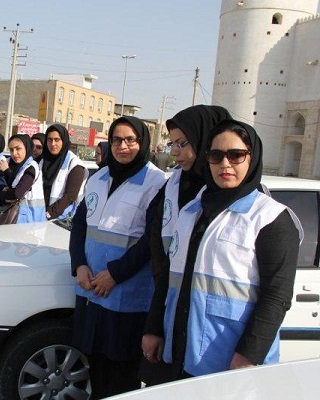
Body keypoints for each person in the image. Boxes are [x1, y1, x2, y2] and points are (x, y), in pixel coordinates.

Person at [144, 119, 301, 381]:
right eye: (216, 156)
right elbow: (170, 274)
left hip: (231, 361)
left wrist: (249, 355)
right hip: (183, 351)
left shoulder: (270, 218)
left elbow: (277, 296)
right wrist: (154, 329)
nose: (225, 164)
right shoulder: (192, 210)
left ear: (252, 158)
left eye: (236, 155)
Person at [69, 116, 166, 398]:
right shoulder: (98, 177)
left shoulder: (157, 183)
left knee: (122, 373)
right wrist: (79, 265)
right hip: (91, 289)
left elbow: (152, 240)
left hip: (126, 296)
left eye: (130, 140)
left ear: (143, 142)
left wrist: (115, 274)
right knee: (94, 365)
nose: (122, 146)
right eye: (116, 140)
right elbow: (80, 225)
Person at [0, 134, 46, 224]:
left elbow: (17, 193)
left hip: (29, 219)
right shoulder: (9, 165)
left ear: (26, 148)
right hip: (14, 217)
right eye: (11, 150)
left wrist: (4, 193)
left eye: (18, 149)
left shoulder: (31, 167)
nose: (14, 153)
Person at [41, 124, 88, 220]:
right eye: (49, 140)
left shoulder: (74, 164)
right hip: (40, 216)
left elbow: (70, 196)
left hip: (61, 220)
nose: (53, 144)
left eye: (57, 140)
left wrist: (49, 213)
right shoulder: (43, 161)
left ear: (64, 140)